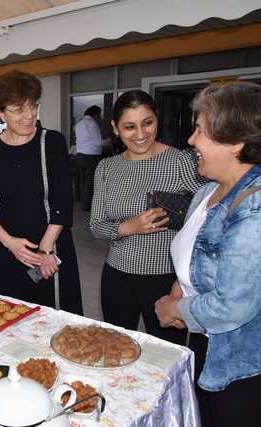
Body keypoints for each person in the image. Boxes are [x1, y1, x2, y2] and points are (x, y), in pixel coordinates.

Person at [154, 82, 261, 427]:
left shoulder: (254, 208)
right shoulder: (208, 190)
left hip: (239, 361)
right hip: (204, 339)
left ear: (236, 143)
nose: (191, 140)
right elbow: (195, 256)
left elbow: (233, 307)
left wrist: (175, 308)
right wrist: (177, 290)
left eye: (200, 130)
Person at [90, 90, 207, 345]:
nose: (141, 135)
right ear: (115, 128)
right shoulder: (107, 168)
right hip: (116, 274)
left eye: (148, 123)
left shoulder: (181, 162)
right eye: (130, 127)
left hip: (165, 277)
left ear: (157, 119)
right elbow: (97, 226)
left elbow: (209, 219)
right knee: (115, 348)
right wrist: (129, 227)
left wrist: (182, 281)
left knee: (165, 353)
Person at [0, 69, 83, 314]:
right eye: (19, 109)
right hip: (11, 245)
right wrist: (10, 243)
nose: (29, 115)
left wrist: (45, 249)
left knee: (57, 319)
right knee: (13, 315)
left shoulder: (51, 142)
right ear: (0, 112)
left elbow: (63, 199)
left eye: (33, 106)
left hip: (52, 241)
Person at [75, 105, 111, 211]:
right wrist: (108, 140)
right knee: (90, 180)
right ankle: (86, 204)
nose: (99, 117)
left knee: (83, 180)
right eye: (98, 114)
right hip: (90, 156)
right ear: (95, 114)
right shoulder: (92, 124)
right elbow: (98, 142)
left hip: (80, 154)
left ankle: (83, 201)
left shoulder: (79, 124)